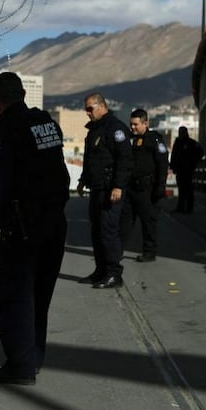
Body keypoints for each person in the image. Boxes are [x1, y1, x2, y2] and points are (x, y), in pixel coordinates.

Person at [0, 72, 68, 385]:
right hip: (55, 221)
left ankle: (20, 365)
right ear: (23, 94)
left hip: (24, 225)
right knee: (41, 296)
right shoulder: (46, 123)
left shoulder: (5, 130)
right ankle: (33, 357)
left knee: (16, 298)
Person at [76, 93, 133, 289]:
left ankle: (114, 274)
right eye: (86, 109)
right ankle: (100, 271)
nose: (87, 113)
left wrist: (118, 185)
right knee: (96, 231)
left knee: (109, 231)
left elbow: (125, 159)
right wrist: (83, 180)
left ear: (101, 107)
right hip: (97, 187)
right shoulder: (94, 130)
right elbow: (90, 159)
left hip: (111, 188)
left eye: (90, 109)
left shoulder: (115, 129)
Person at [121, 109, 169, 262]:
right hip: (130, 188)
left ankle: (149, 252)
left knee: (148, 222)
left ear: (145, 123)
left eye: (136, 124)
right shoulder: (129, 139)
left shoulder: (154, 140)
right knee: (124, 221)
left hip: (147, 189)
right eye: (131, 124)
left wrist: (161, 185)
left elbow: (162, 163)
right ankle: (117, 250)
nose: (133, 127)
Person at [169, 126, 203, 213]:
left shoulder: (191, 143)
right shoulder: (178, 142)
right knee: (182, 188)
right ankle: (182, 207)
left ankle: (188, 208)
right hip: (181, 169)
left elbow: (200, 152)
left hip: (187, 170)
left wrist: (193, 162)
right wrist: (173, 166)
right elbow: (174, 155)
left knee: (187, 189)